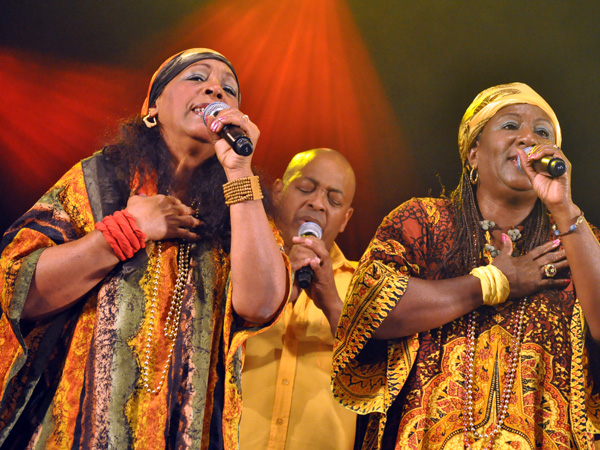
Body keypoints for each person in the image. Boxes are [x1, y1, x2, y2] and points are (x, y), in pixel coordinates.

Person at [0, 48, 289, 449]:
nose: (214, 89)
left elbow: (261, 304)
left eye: (228, 89)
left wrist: (239, 172)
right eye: (196, 77)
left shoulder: (241, 208)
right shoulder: (100, 179)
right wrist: (129, 228)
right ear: (152, 108)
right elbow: (19, 290)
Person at [331, 82, 600, 449]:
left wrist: (564, 207)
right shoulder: (422, 221)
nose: (527, 139)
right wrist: (494, 282)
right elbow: (373, 309)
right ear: (473, 153)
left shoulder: (577, 242)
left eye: (541, 132)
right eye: (510, 126)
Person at [240, 148, 358, 449]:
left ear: (345, 220)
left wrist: (332, 301)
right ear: (278, 192)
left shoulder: (363, 284)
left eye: (333, 200)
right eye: (306, 188)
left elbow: (381, 374)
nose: (316, 203)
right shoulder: (237, 265)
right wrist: (275, 288)